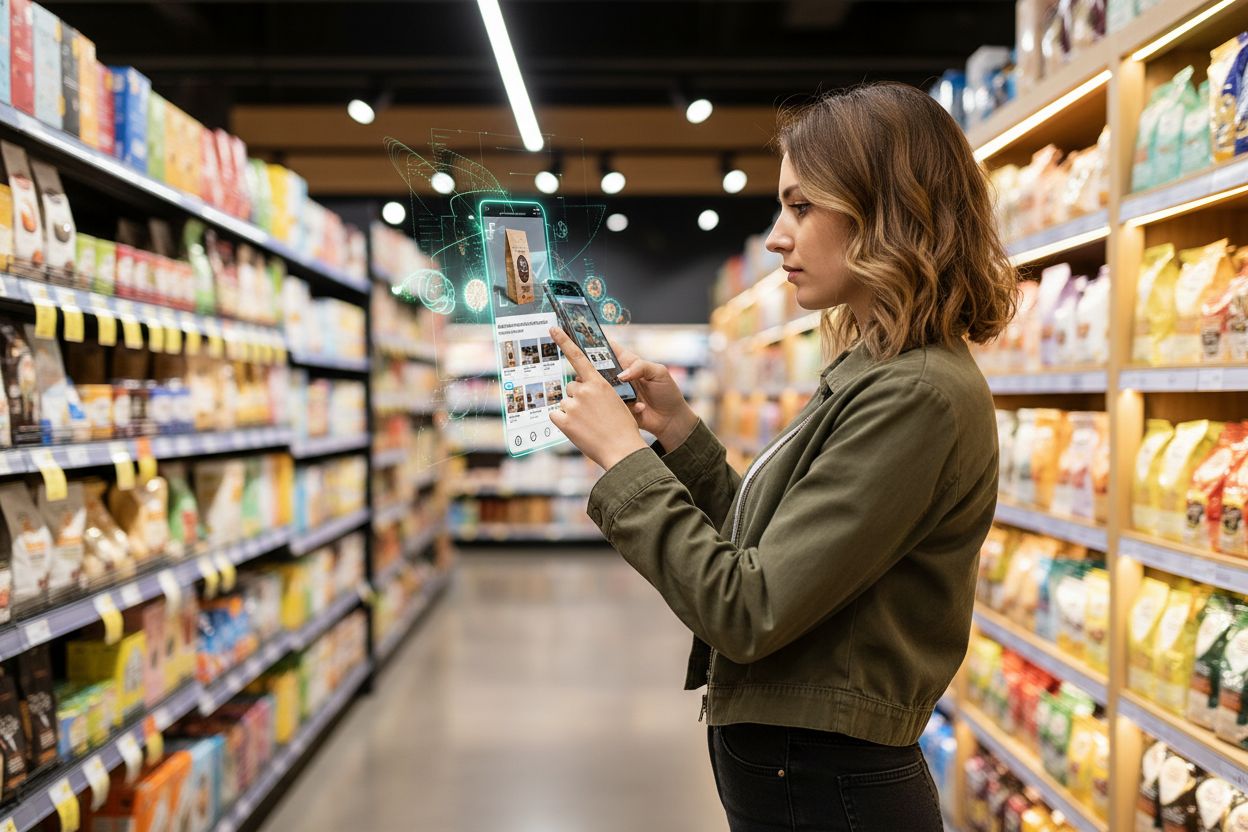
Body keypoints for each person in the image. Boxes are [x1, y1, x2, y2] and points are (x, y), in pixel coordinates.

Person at [548, 82, 1016, 832]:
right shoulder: (879, 368)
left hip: (829, 785)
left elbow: (747, 607)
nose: (775, 237)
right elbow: (778, 552)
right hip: (808, 773)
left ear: (885, 211)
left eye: (802, 207)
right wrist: (679, 435)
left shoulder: (916, 394)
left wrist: (619, 458)